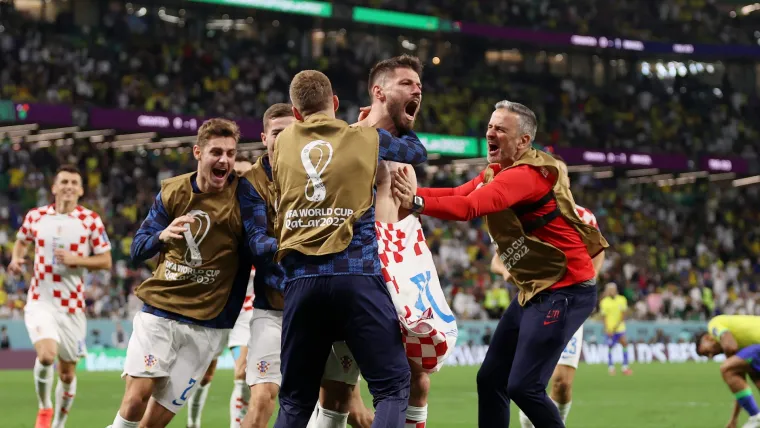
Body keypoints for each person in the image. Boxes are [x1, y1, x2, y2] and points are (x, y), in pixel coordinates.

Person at [392, 100, 608, 428]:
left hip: (565, 291)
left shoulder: (526, 175)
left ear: (523, 141)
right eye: (490, 126)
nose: (490, 132)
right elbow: (457, 191)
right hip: (537, 289)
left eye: (500, 129)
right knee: (491, 379)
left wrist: (416, 202)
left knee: (524, 386)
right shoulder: (498, 170)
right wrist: (411, 193)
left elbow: (468, 207)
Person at [271, 70, 427, 428]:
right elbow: (416, 151)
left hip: (301, 283)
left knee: (295, 402)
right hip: (356, 277)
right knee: (392, 387)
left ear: (295, 113)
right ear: (336, 104)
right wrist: (390, 125)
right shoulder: (365, 137)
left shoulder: (281, 144)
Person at [312, 55, 456, 428]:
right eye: (407, 83)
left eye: (419, 85)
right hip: (357, 271)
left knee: (418, 382)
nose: (418, 90)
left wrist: (414, 204)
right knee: (340, 392)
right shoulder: (351, 144)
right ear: (378, 91)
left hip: (395, 280)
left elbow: (405, 231)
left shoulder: (405, 156)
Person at [108, 118, 277, 428]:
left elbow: (257, 240)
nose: (224, 160)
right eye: (216, 152)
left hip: (207, 327)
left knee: (154, 423)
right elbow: (136, 249)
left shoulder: (244, 196)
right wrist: (162, 236)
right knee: (135, 400)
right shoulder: (173, 192)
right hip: (160, 312)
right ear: (198, 152)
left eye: (230, 153)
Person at [8, 164, 113, 428]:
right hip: (40, 300)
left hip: (72, 306)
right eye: (63, 181)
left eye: (73, 182)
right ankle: (44, 409)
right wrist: (17, 259)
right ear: (54, 188)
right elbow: (21, 240)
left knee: (67, 374)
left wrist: (77, 259)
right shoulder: (36, 216)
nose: (68, 186)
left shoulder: (90, 220)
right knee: (46, 355)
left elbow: (106, 260)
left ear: (80, 190)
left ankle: (58, 423)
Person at [510, 155, 606, 428]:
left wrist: (587, 281)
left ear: (567, 180)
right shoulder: (527, 215)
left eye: (559, 174)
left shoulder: (583, 216)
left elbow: (598, 251)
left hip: (570, 305)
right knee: (528, 382)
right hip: (537, 305)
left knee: (562, 384)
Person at [187, 155, 257, 428]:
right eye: (233, 175)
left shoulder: (261, 213)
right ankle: (192, 423)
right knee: (205, 374)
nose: (237, 180)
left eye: (242, 175)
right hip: (215, 303)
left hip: (248, 308)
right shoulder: (211, 213)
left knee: (243, 372)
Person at [239, 103, 295, 428]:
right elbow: (258, 244)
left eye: (291, 131)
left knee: (344, 405)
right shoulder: (252, 182)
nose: (285, 138)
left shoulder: (319, 171)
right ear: (264, 137)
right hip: (271, 309)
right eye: (277, 132)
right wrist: (304, 243)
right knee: (261, 402)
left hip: (318, 307)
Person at [696, 315, 760, 428]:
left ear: (707, 338)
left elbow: (731, 347)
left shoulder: (713, 324)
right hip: (756, 349)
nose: (711, 355)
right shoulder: (744, 347)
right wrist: (734, 419)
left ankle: (756, 416)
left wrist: (729, 362)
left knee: (727, 368)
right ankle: (755, 417)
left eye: (706, 352)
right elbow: (741, 388)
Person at [599, 282, 632, 375]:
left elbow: (623, 313)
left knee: (624, 344)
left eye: (613, 289)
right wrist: (607, 328)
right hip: (610, 329)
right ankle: (611, 367)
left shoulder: (622, 299)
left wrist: (617, 325)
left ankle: (625, 367)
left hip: (620, 327)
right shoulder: (604, 302)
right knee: (610, 346)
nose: (612, 291)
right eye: (610, 290)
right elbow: (604, 317)